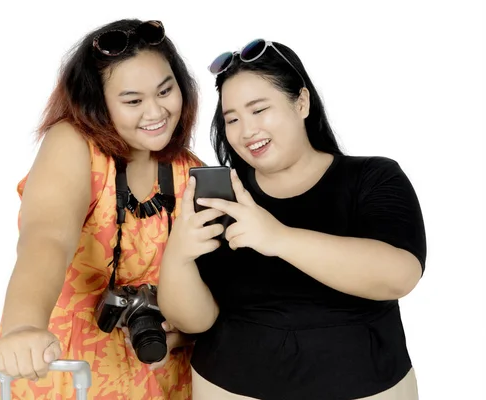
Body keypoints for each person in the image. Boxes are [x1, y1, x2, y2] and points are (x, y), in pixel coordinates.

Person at [158, 39, 427, 400]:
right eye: (232, 119)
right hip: (227, 387)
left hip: (366, 387)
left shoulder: (373, 177)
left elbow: (399, 276)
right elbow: (196, 322)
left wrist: (278, 237)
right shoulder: (225, 194)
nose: (246, 130)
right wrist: (178, 255)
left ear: (301, 102)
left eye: (259, 110)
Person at [0, 19, 203, 400]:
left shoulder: (192, 171)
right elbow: (47, 237)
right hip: (69, 371)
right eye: (133, 101)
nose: (156, 112)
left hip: (163, 375)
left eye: (166, 91)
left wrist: (185, 331)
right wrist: (22, 328)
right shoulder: (73, 145)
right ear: (98, 103)